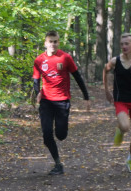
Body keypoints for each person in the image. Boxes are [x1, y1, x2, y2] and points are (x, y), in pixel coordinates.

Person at [32, 30, 90, 175]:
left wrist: (86, 97)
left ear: (59, 42)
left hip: (62, 101)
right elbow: (36, 79)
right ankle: (58, 164)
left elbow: (77, 77)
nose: (53, 44)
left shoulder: (65, 58)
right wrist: (37, 91)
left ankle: (61, 135)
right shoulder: (39, 60)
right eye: (50, 41)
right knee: (46, 134)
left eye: (55, 41)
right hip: (46, 101)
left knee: (61, 135)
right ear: (45, 43)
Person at [103, 33, 131, 173]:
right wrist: (106, 91)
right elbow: (105, 70)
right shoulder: (115, 61)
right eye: (122, 44)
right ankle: (121, 129)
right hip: (120, 99)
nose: (124, 46)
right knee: (125, 126)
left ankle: (130, 160)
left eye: (127, 44)